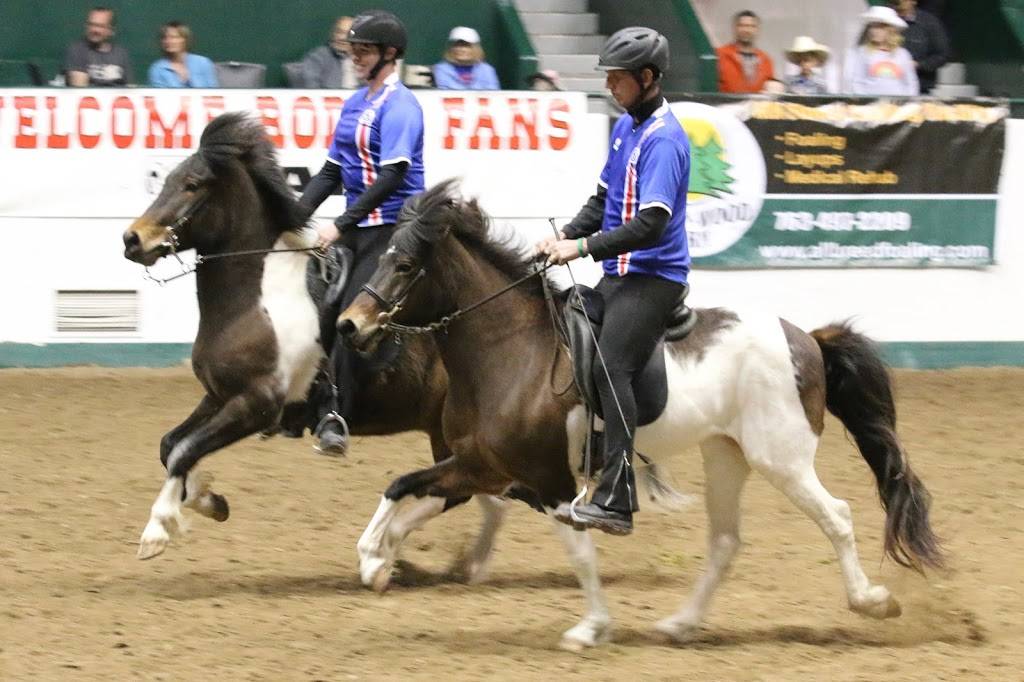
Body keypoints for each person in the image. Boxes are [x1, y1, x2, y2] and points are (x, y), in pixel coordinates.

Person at [538, 27, 691, 536]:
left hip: (654, 277)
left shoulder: (665, 139)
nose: (610, 86)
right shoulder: (626, 127)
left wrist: (577, 249)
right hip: (619, 274)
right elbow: (602, 201)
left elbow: (650, 224)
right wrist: (563, 235)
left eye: (617, 78)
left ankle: (618, 499)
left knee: (612, 368)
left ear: (646, 78)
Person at [297, 10, 425, 455]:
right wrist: (295, 215)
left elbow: (391, 176)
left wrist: (339, 224)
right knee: (311, 294)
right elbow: (333, 170)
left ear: (389, 55)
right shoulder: (355, 103)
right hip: (357, 225)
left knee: (351, 309)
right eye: (352, 49)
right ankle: (302, 397)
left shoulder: (402, 106)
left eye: (364, 50)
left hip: (393, 227)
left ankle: (336, 413)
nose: (354, 56)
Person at [844, 6, 918, 96]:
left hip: (897, 105)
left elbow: (911, 83)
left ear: (891, 30)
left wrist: (907, 101)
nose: (874, 31)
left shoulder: (903, 54)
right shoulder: (863, 52)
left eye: (880, 27)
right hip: (871, 106)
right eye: (872, 27)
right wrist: (865, 101)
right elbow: (857, 81)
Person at [890, 0, 950, 94]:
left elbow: (943, 55)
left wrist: (918, 64)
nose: (899, 3)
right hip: (884, 83)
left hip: (920, 86)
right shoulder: (884, 21)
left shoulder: (929, 22)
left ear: (913, 1)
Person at [64, 6, 134, 87]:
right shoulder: (77, 50)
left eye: (100, 26)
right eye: (91, 25)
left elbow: (130, 88)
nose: (95, 30)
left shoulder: (121, 53)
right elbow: (80, 90)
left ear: (111, 30)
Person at [716, 10, 774, 93]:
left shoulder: (766, 60)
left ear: (757, 29)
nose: (746, 30)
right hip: (726, 105)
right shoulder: (720, 55)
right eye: (742, 26)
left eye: (751, 26)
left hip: (757, 105)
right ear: (735, 28)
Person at [147, 22, 218, 88]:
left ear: (185, 40)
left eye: (173, 37)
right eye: (165, 38)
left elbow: (214, 93)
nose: (168, 41)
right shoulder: (158, 68)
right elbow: (159, 97)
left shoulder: (203, 63)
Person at [433, 26, 500, 90]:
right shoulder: (442, 69)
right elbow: (444, 93)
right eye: (457, 46)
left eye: (466, 46)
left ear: (476, 49)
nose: (461, 49)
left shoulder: (487, 70)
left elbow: (493, 94)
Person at [301, 16, 359, 89]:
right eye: (339, 32)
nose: (342, 38)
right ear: (333, 34)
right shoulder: (317, 57)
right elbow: (312, 88)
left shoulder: (364, 58)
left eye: (348, 34)